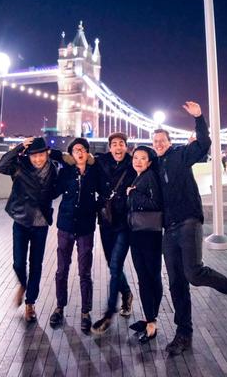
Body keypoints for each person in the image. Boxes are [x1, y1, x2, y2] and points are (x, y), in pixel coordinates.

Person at [152, 101, 227, 356]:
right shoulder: (154, 165)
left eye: (162, 140)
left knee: (194, 273)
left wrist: (199, 117)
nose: (158, 144)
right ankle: (183, 334)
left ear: (169, 142)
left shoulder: (181, 155)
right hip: (169, 229)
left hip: (188, 221)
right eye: (155, 141)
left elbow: (204, 144)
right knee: (177, 284)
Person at [0, 137, 58, 322]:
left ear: (47, 153)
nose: (37, 159)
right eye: (34, 156)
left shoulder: (54, 169)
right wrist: (20, 147)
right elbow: (0, 166)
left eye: (41, 155)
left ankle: (30, 303)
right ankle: (23, 284)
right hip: (21, 220)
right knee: (18, 263)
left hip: (41, 223)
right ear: (28, 156)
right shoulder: (20, 166)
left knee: (36, 265)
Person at [49, 138, 98, 333]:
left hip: (86, 227)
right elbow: (53, 192)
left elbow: (105, 190)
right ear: (71, 154)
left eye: (83, 149)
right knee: (62, 270)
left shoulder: (94, 172)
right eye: (76, 150)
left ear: (87, 153)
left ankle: (86, 312)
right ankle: (59, 307)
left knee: (85, 272)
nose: (80, 152)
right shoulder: (66, 172)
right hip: (66, 226)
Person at [91, 132, 137, 334]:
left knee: (115, 265)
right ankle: (126, 293)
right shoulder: (100, 163)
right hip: (106, 220)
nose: (118, 147)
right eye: (114, 144)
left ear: (126, 147)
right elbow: (78, 161)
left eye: (121, 144)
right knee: (113, 265)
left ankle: (109, 312)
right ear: (109, 147)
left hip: (124, 223)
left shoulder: (133, 164)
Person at [126, 146, 163, 343]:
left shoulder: (150, 177)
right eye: (135, 158)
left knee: (150, 277)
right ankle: (150, 317)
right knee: (144, 277)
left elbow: (156, 203)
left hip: (149, 235)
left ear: (149, 162)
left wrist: (132, 194)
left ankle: (151, 322)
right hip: (138, 234)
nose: (138, 161)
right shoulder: (138, 177)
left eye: (142, 158)